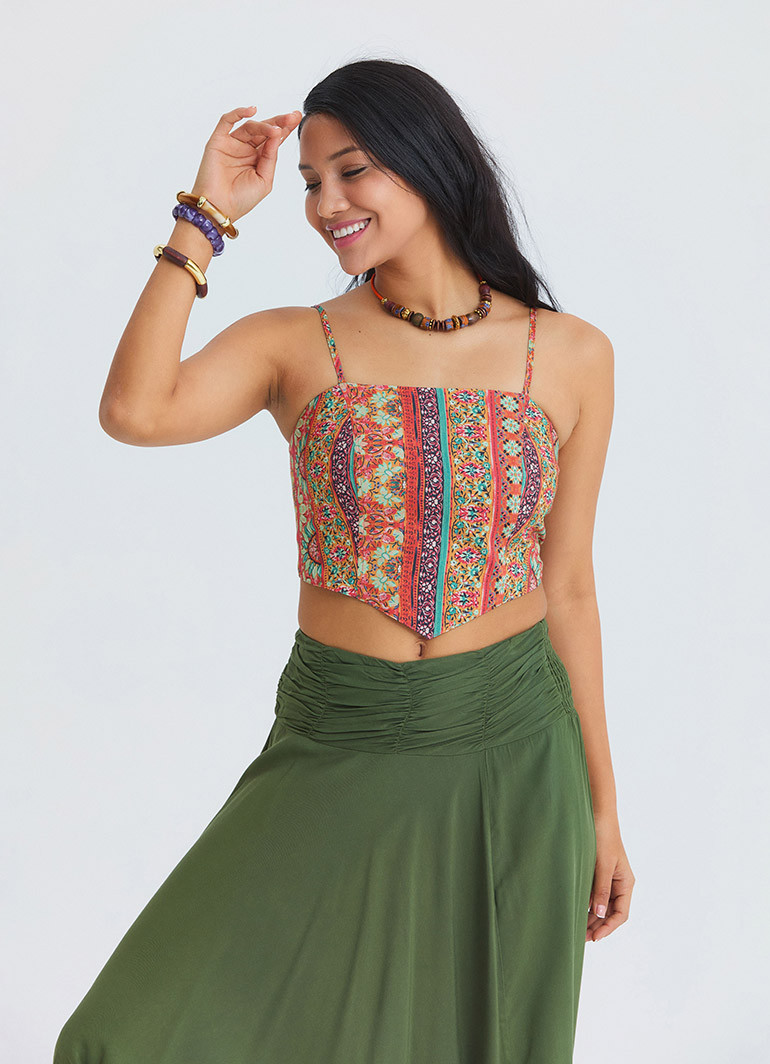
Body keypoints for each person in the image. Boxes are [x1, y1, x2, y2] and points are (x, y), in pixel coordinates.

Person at [54, 58, 634, 1064]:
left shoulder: (572, 353)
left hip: (514, 752)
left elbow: (570, 586)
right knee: (120, 1036)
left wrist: (603, 808)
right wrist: (203, 218)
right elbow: (135, 411)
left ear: (429, 160)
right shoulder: (296, 342)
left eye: (352, 171)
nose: (326, 204)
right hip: (338, 737)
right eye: (311, 182)